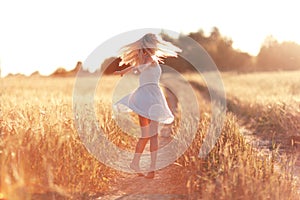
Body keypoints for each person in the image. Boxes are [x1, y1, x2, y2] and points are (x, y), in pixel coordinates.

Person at [113, 33, 181, 178]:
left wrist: (123, 71)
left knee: (146, 135)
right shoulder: (148, 59)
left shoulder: (146, 59)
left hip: (144, 97)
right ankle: (151, 168)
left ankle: (136, 163)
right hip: (150, 97)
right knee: (153, 135)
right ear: (153, 45)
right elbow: (140, 68)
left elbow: (138, 68)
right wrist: (124, 71)